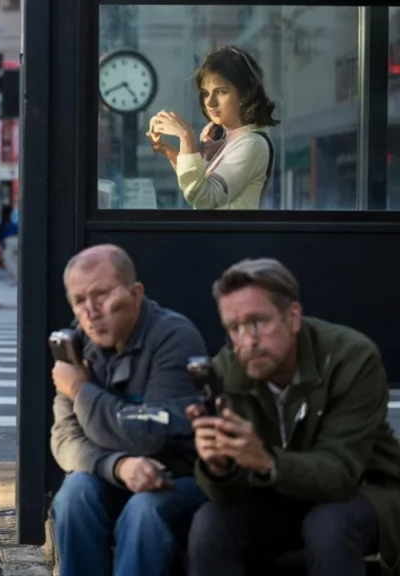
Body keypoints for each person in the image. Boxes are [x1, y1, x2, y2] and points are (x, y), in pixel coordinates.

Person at [186, 258, 400, 575]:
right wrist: (219, 466)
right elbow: (227, 494)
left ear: (293, 318)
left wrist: (267, 461)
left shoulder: (350, 357)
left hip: (363, 488)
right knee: (209, 524)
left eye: (258, 321)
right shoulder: (228, 369)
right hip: (277, 494)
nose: (248, 340)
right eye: (235, 328)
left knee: (328, 526)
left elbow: (340, 473)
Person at [50, 244, 209, 576]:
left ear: (135, 293)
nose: (90, 311)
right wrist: (118, 465)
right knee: (74, 495)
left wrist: (80, 390)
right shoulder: (77, 344)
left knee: (144, 510)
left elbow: (149, 436)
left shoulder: (174, 336)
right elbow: (64, 438)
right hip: (114, 474)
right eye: (79, 301)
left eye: (102, 295)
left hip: (179, 475)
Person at [147, 45, 277, 210]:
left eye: (221, 92)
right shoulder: (233, 142)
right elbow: (198, 186)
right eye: (206, 93)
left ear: (244, 94)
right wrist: (171, 153)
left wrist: (186, 137)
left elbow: (203, 198)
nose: (210, 102)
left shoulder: (252, 144)